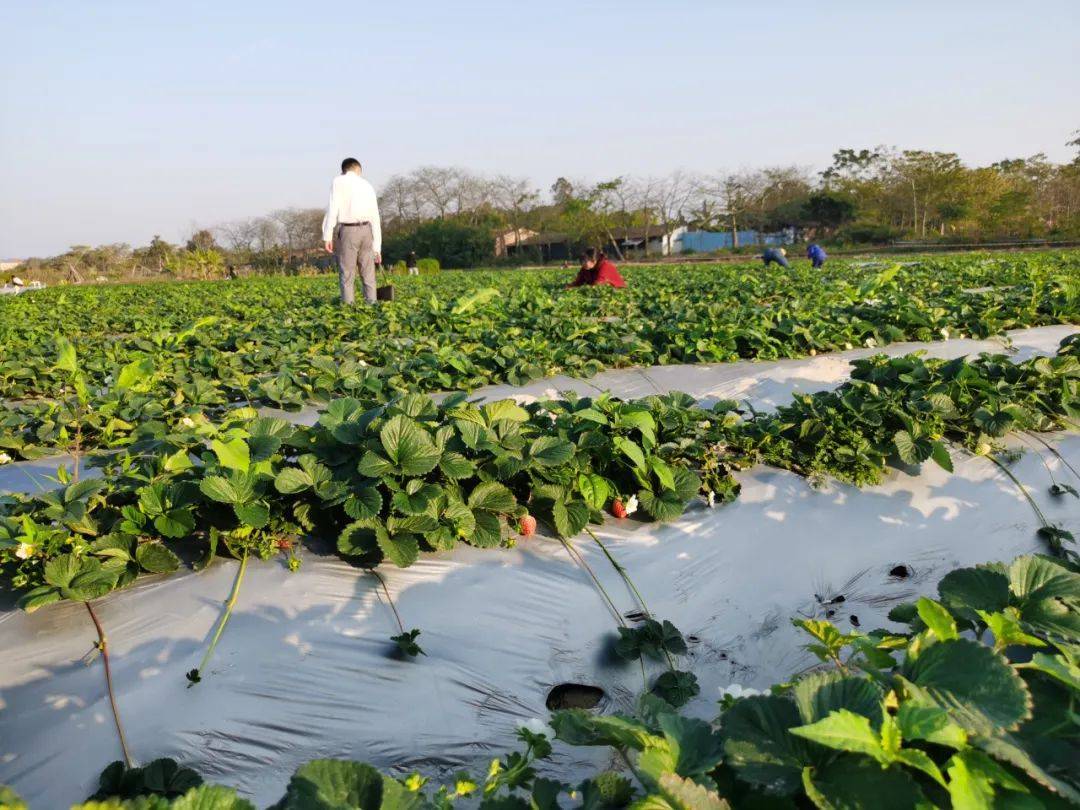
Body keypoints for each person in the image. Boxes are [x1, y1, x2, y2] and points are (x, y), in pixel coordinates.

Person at [322, 157, 383, 305]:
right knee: (368, 273)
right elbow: (375, 216)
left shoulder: (338, 181)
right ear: (358, 169)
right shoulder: (367, 185)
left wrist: (327, 235)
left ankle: (349, 310)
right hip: (367, 231)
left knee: (347, 273)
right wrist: (377, 248)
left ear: (343, 170)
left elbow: (333, 208)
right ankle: (372, 304)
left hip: (349, 231)